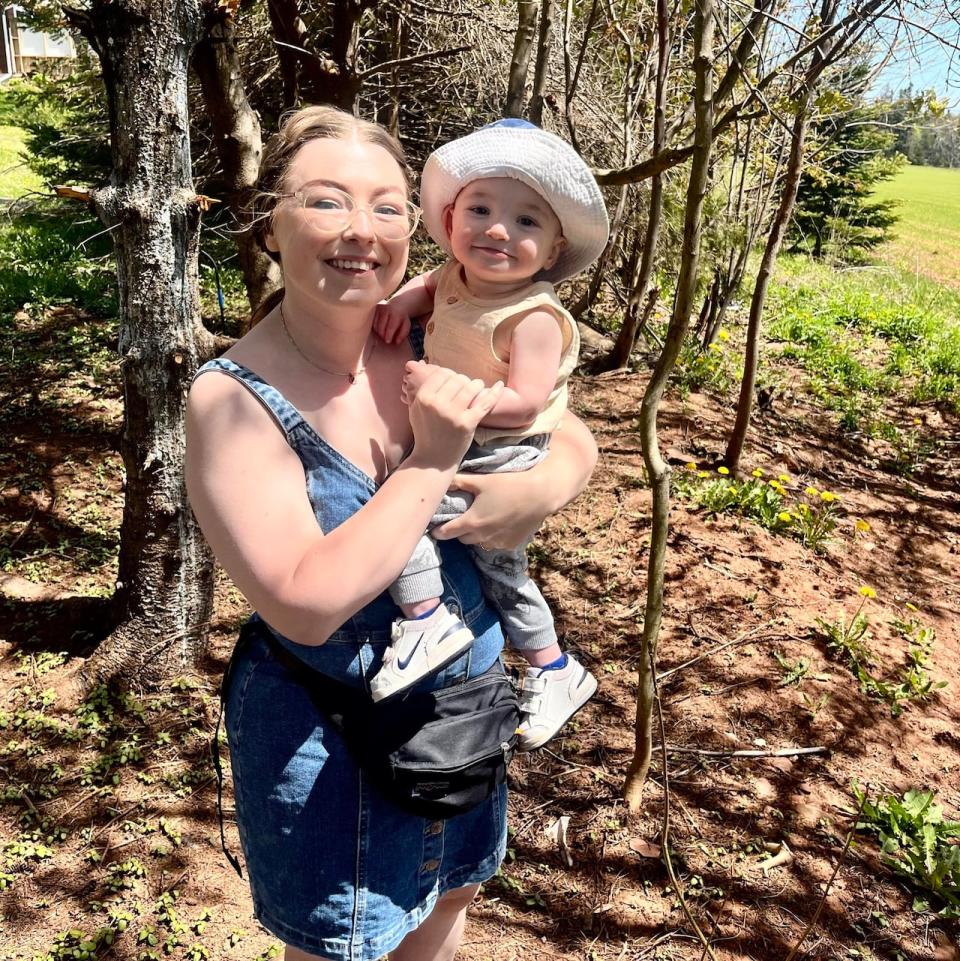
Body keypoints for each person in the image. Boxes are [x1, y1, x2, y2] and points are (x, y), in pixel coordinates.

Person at [185, 105, 598, 961]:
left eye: (385, 207)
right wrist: (430, 462)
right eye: (327, 202)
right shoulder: (230, 399)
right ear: (271, 223)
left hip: (465, 712)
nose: (361, 232)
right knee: (346, 945)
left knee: (448, 911)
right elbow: (305, 603)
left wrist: (549, 485)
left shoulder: (422, 328)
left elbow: (567, 429)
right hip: (332, 738)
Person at [368, 120, 609, 752]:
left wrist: (443, 395)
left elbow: (526, 400)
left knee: (406, 516)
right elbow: (426, 288)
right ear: (450, 223)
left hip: (504, 450)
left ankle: (426, 620)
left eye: (527, 222)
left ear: (554, 250)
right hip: (470, 437)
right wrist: (399, 304)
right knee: (503, 573)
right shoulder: (451, 277)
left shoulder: (532, 317)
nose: (498, 230)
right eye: (480, 210)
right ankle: (554, 666)